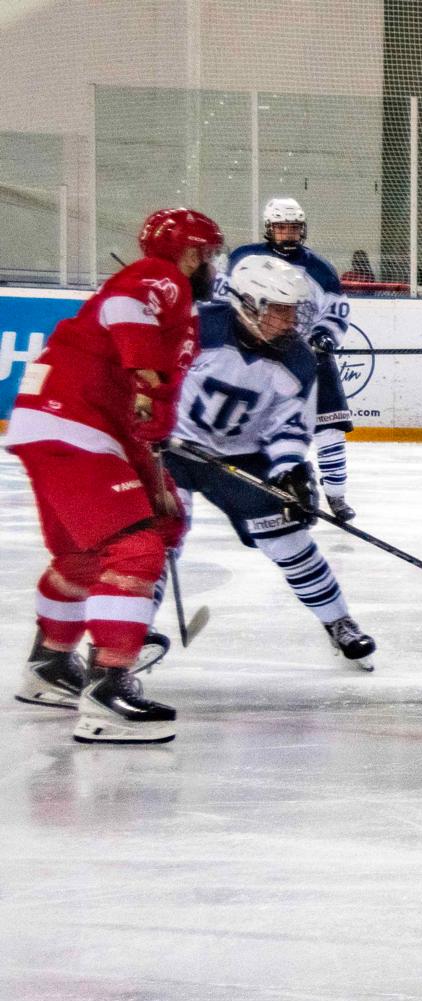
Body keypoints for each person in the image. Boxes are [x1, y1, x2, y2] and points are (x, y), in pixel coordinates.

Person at [7, 207, 225, 745]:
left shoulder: (178, 302)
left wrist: (154, 474)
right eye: (211, 254)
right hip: (73, 420)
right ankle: (109, 688)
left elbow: (145, 409)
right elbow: (128, 313)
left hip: (59, 421)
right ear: (191, 252)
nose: (213, 266)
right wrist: (146, 376)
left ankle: (50, 667)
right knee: (135, 551)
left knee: (83, 558)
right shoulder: (162, 276)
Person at [163, 255, 377, 671]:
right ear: (248, 303)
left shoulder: (297, 358)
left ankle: (339, 622)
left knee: (290, 539)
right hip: (170, 449)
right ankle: (128, 634)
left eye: (293, 310)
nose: (290, 321)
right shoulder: (199, 327)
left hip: (241, 454)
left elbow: (288, 425)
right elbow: (149, 376)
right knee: (156, 540)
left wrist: (290, 469)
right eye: (280, 310)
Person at [230, 198, 358, 523]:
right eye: (281, 228)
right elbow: (225, 300)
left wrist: (325, 337)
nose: (287, 234)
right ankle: (259, 490)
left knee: (329, 428)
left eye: (293, 228)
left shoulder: (320, 269)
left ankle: (337, 496)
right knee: (252, 424)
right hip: (260, 355)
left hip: (308, 355)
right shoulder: (245, 258)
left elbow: (336, 311)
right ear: (269, 228)